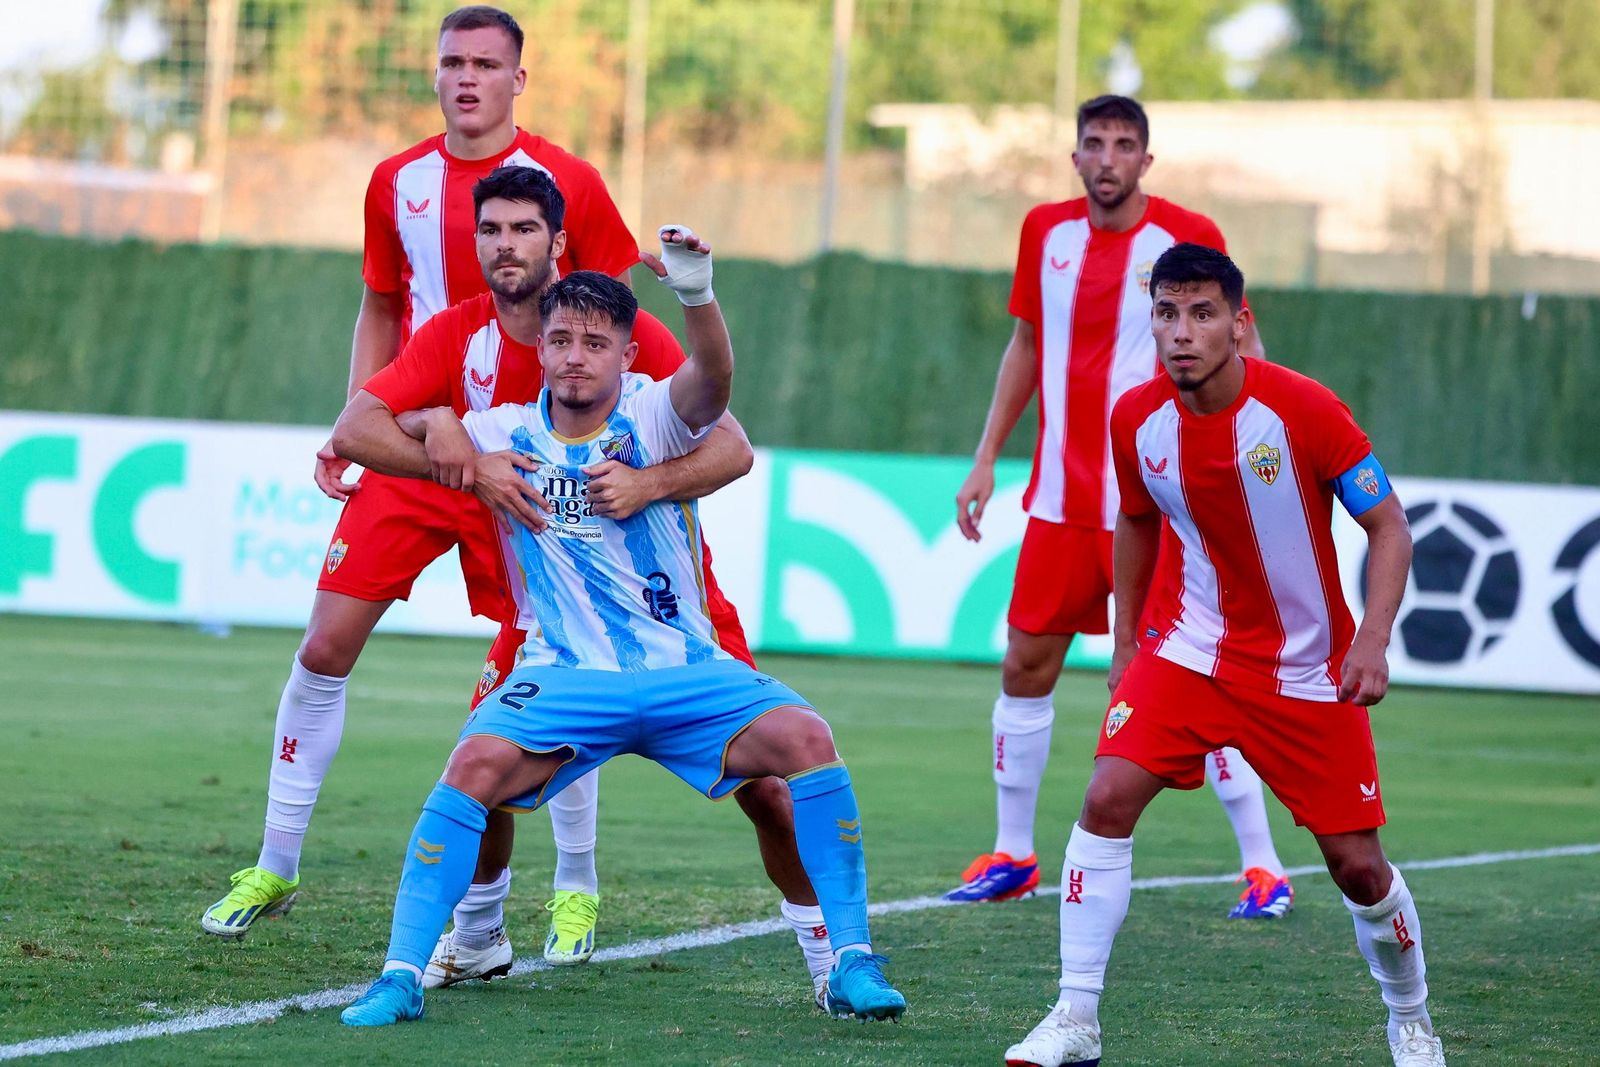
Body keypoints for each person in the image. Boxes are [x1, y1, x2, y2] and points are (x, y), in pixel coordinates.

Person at [202, 9, 828, 995]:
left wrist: (653, 455)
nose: (465, 79)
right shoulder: (401, 198)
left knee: (682, 730)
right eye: (450, 61)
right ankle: (282, 864)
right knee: (337, 647)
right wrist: (401, 431)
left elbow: (649, 350)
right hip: (436, 446)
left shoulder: (576, 226)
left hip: (567, 492)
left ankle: (591, 891)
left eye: (485, 64)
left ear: (519, 80)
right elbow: (379, 306)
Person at [329, 234, 907, 1027]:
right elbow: (356, 430)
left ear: (628, 355)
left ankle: (849, 961)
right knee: (470, 764)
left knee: (806, 739)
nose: (574, 358)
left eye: (595, 344)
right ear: (542, 348)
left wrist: (698, 295)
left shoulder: (653, 415)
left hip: (684, 669)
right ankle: (400, 974)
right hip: (566, 671)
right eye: (561, 340)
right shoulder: (497, 433)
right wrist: (441, 433)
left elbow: (714, 383)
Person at [1003, 243, 1444, 1067]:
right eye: (1167, 313)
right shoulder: (1136, 417)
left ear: (1239, 325)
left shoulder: (1306, 412)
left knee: (1357, 867)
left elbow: (1390, 527)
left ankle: (1411, 1016)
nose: (1182, 332)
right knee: (1105, 798)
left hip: (1308, 672)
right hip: (1191, 654)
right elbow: (1135, 520)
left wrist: (1373, 642)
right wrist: (1130, 640)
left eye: (1203, 313)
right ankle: (1075, 1014)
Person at [949, 95, 1291, 920]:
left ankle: (1263, 866)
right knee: (1024, 665)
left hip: (1165, 506)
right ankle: (1013, 851)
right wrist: (988, 455)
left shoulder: (1188, 233)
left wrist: (1257, 453)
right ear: (1074, 158)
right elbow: (1027, 344)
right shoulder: (1045, 232)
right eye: (1093, 143)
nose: (1107, 158)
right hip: (1063, 504)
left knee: (1199, 677)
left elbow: (1242, 340)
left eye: (1124, 145)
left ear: (1147, 159)